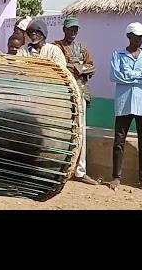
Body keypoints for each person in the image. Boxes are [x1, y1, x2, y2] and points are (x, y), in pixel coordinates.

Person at [109, 22, 142, 192]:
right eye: (137, 36)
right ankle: (116, 177)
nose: (140, 39)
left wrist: (133, 75)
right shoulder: (118, 55)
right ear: (129, 36)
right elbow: (115, 76)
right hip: (124, 104)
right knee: (119, 141)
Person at [54, 16, 98, 186]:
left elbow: (91, 68)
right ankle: (60, 169)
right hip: (62, 94)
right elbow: (60, 66)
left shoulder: (82, 48)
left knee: (81, 134)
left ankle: (80, 171)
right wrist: (78, 68)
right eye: (70, 29)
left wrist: (79, 69)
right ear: (64, 29)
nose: (73, 32)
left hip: (81, 93)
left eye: (75, 30)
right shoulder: (57, 46)